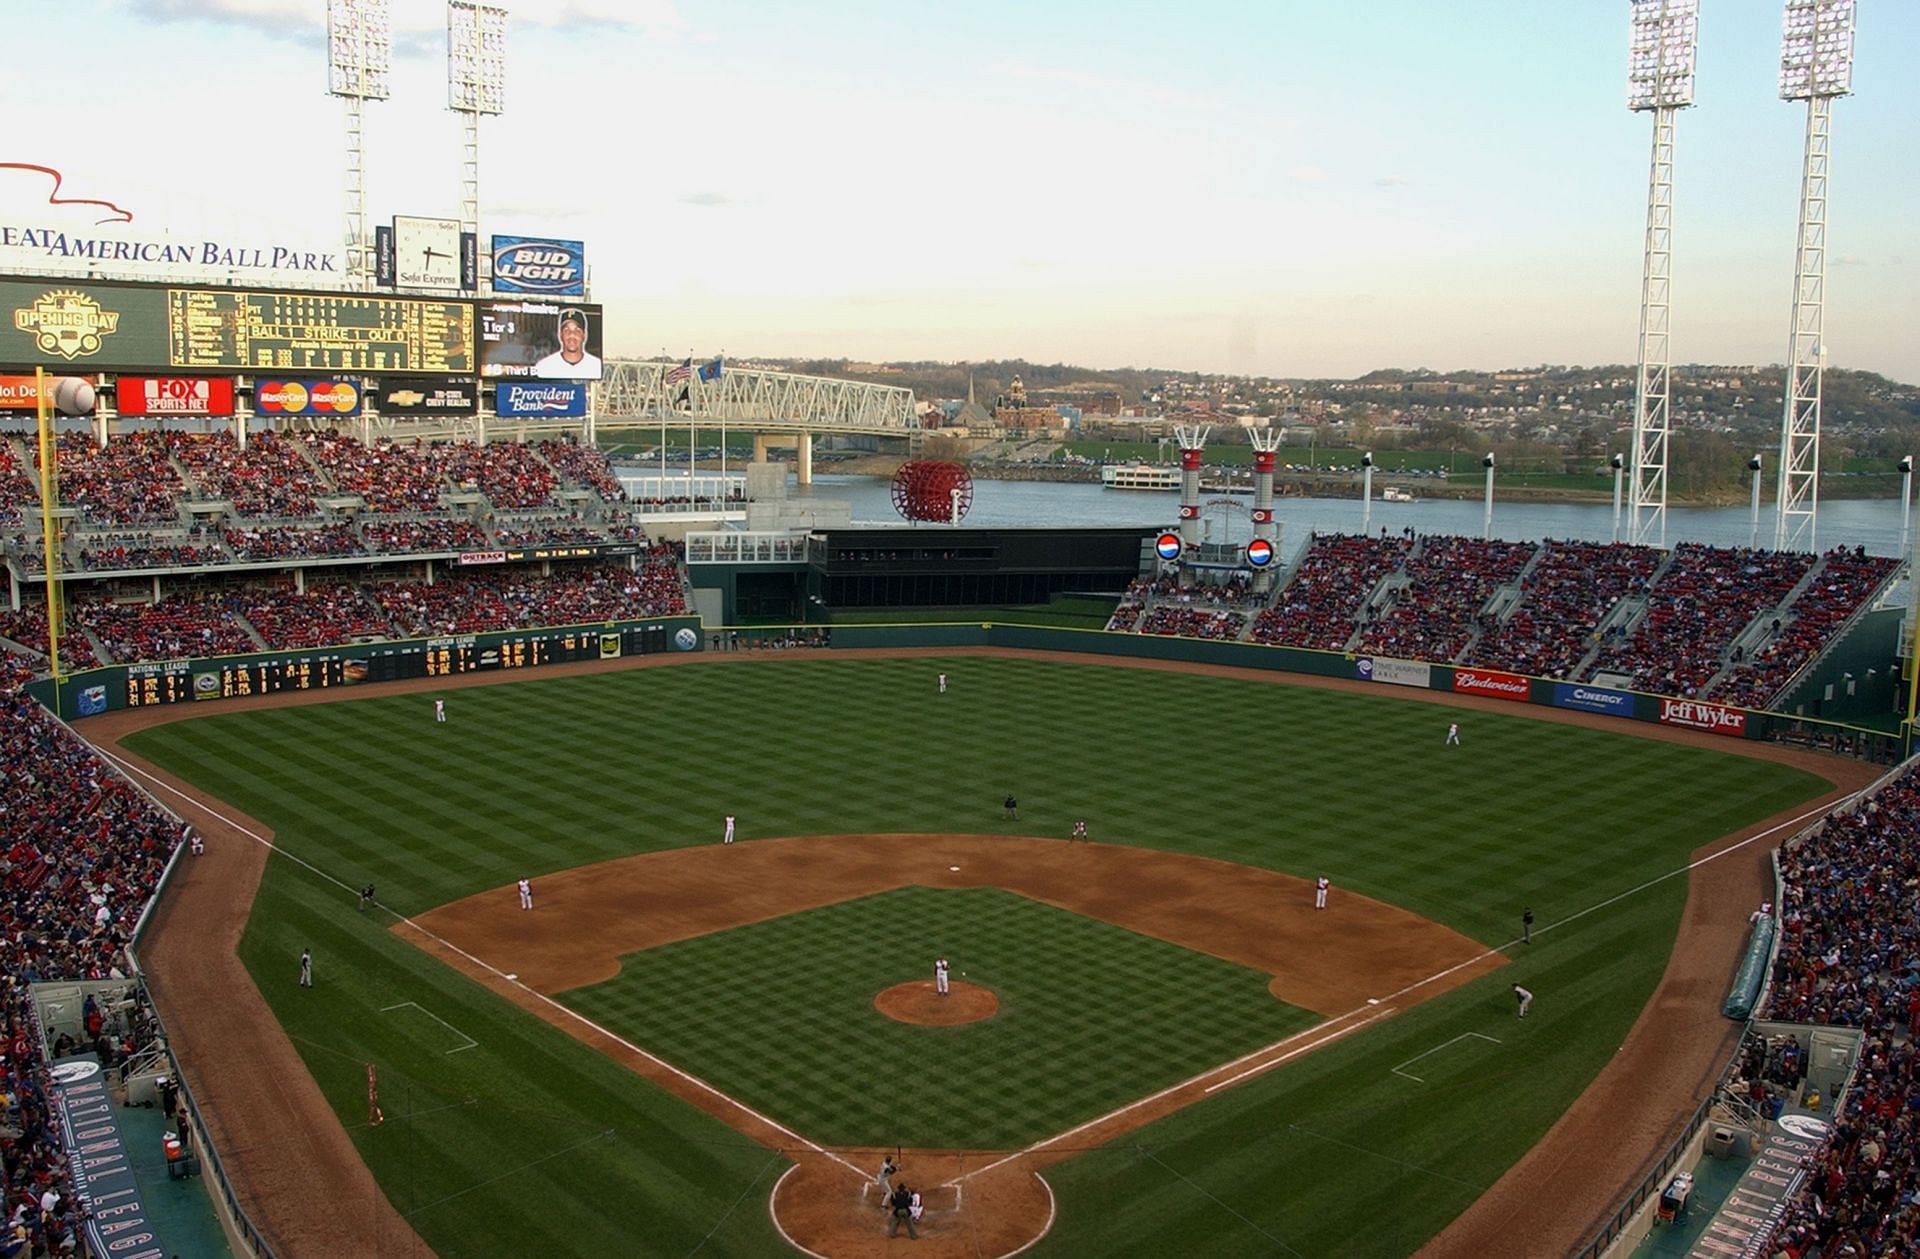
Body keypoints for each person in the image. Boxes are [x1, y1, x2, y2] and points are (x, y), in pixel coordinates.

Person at [532, 308, 602, 380]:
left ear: (584, 335)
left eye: (577, 331)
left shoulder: (596, 366)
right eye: (566, 330)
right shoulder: (544, 366)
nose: (571, 335)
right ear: (560, 335)